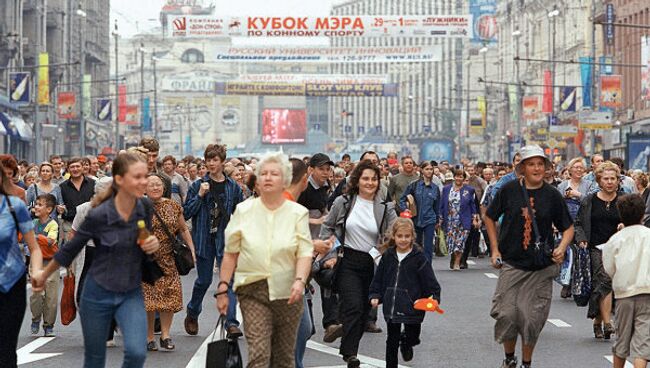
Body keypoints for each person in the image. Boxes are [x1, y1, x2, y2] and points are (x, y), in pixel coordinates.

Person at [33, 152, 160, 368]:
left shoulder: (144, 207)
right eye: (137, 177)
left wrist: (151, 244)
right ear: (119, 180)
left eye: (145, 176)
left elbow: (144, 240)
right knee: (94, 360)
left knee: (138, 353)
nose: (144, 182)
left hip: (130, 291)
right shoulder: (99, 213)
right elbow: (72, 247)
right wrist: (43, 275)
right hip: (97, 292)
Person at [217, 152, 313, 368]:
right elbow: (231, 253)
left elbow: (304, 252)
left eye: (275, 174)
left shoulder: (297, 213)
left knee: (283, 359)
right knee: (259, 354)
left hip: (288, 291)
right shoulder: (243, 211)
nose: (268, 178)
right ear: (257, 181)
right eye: (264, 174)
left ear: (285, 180)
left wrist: (299, 280)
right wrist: (223, 288)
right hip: (253, 290)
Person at [485, 145, 574, 368]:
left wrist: (562, 247)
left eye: (540, 164)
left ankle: (526, 362)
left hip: (540, 267)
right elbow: (489, 217)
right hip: (513, 264)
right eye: (531, 164)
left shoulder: (552, 195)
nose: (536, 168)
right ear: (522, 167)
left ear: (546, 168)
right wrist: (495, 249)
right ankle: (509, 358)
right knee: (506, 315)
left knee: (531, 319)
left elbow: (568, 228)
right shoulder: (509, 190)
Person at [320, 160, 397, 368]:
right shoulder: (343, 202)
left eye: (374, 179)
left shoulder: (385, 207)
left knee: (364, 311)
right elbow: (327, 229)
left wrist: (387, 250)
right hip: (348, 261)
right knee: (353, 305)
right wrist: (330, 255)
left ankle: (344, 334)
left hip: (373, 264)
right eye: (365, 178)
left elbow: (394, 234)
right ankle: (350, 354)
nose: (370, 183)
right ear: (357, 180)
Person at [184, 144, 243, 337]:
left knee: (230, 280)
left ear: (222, 161)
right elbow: (186, 213)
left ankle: (231, 323)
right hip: (203, 238)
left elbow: (240, 213)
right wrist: (200, 195)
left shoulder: (233, 186)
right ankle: (193, 311)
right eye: (208, 160)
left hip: (225, 239)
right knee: (204, 280)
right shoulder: (197, 185)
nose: (211, 163)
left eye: (215, 160)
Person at [369, 218, 441, 368]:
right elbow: (379, 278)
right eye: (400, 236)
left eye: (407, 236)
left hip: (413, 306)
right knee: (391, 341)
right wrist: (375, 295)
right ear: (393, 236)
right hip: (392, 306)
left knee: (413, 336)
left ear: (412, 237)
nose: (403, 240)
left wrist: (434, 297)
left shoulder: (419, 257)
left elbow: (430, 280)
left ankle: (407, 343)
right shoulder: (388, 256)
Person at [142, 174, 196, 352]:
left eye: (158, 185)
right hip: (146, 260)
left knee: (169, 297)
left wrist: (192, 249)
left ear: (163, 187)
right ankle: (149, 336)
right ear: (144, 188)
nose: (155, 188)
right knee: (149, 301)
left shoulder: (173, 205)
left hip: (168, 258)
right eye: (151, 185)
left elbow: (182, 229)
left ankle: (165, 335)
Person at [0, 161, 44, 368]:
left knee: (6, 348)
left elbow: (34, 248)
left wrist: (36, 271)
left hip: (11, 283)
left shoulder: (13, 205)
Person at [600, 194, 650, 368]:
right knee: (643, 344)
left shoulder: (616, 239)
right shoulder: (649, 235)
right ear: (643, 214)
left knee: (621, 341)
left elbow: (609, 266)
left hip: (624, 295)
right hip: (647, 291)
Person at [574, 161, 622, 339]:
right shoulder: (589, 200)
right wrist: (581, 239)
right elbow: (578, 223)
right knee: (604, 281)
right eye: (606, 179)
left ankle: (597, 322)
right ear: (599, 181)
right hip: (596, 248)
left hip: (619, 248)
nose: (609, 182)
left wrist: (625, 224)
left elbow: (635, 219)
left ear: (618, 180)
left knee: (607, 285)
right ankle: (608, 323)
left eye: (613, 178)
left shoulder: (624, 199)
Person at [70, 176, 120, 347]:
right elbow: (74, 233)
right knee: (83, 293)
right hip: (89, 254)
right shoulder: (84, 209)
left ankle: (108, 332)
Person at [29, 194, 60, 337]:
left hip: (51, 262)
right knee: (36, 293)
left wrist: (35, 237)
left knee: (51, 296)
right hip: (36, 261)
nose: (36, 207)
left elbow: (50, 241)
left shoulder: (53, 224)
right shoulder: (32, 223)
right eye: (36, 204)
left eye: (40, 205)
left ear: (49, 209)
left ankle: (49, 325)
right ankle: (35, 318)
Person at [399, 160, 442, 263]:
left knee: (428, 247)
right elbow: (402, 199)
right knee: (416, 246)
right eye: (427, 169)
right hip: (415, 218)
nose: (429, 171)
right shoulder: (414, 185)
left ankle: (427, 270)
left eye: (431, 169)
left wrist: (437, 220)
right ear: (421, 170)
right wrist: (405, 209)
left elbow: (437, 206)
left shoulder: (435, 188)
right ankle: (415, 267)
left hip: (430, 219)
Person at [439, 168, 479, 270]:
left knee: (460, 243)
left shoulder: (469, 190)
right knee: (451, 242)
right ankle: (453, 257)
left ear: (464, 178)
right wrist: (440, 218)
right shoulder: (446, 189)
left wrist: (475, 219)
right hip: (450, 220)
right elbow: (442, 205)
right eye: (457, 176)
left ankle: (457, 262)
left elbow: (473, 206)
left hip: (464, 220)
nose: (458, 178)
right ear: (454, 177)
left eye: (461, 176)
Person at [60, 157, 96, 246]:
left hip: (89, 225)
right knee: (71, 256)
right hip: (69, 225)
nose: (75, 169)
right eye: (72, 167)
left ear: (83, 168)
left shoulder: (93, 184)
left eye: (77, 166)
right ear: (68, 169)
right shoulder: (62, 187)